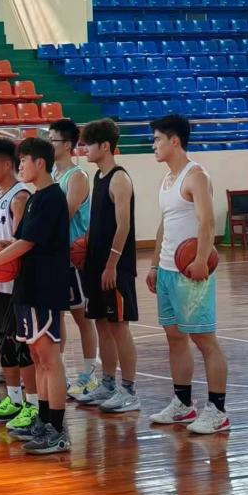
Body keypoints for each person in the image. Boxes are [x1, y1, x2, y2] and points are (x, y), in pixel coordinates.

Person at [0, 137, 71, 454]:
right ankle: (43, 420)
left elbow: (27, 242)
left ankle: (57, 429)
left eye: (24, 162)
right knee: (37, 356)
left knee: (49, 358)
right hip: (27, 286)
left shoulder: (51, 198)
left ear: (39, 163)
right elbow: (16, 241)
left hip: (45, 287)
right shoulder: (35, 198)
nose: (20, 167)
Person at [146, 115, 229, 434]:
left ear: (174, 141)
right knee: (175, 337)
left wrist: (201, 259)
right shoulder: (167, 179)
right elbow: (164, 225)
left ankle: (218, 411)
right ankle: (183, 405)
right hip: (168, 271)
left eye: (157, 139)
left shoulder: (196, 176)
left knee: (205, 340)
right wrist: (154, 265)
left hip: (191, 272)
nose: (154, 145)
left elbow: (207, 222)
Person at [78, 119, 140, 413]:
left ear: (105, 146)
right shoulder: (98, 176)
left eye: (89, 144)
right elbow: (99, 222)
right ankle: (108, 384)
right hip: (96, 265)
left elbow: (123, 225)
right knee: (102, 325)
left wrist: (112, 264)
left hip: (115, 268)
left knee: (119, 328)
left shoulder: (119, 178)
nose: (84, 149)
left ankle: (129, 390)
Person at [0, 139, 39, 431]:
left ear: (7, 164)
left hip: (15, 283)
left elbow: (19, 241)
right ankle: (13, 400)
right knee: (3, 343)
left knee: (22, 347)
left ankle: (33, 404)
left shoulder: (20, 196)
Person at [50, 118, 100, 400]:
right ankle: (58, 371)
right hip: (56, 258)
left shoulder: (77, 176)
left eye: (53, 140)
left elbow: (63, 216)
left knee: (83, 317)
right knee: (56, 316)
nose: (49, 144)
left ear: (67, 145)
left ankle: (90, 374)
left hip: (74, 258)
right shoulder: (52, 175)